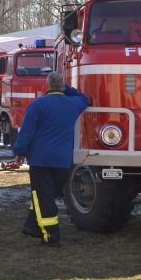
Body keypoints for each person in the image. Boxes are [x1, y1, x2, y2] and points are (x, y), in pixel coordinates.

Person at [12, 71, 90, 247]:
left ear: (46, 86)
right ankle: (31, 225)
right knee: (46, 196)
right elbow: (83, 97)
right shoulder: (73, 104)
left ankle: (51, 236)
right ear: (62, 86)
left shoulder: (38, 104)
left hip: (40, 160)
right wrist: (65, 88)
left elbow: (27, 133)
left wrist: (19, 152)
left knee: (44, 199)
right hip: (62, 161)